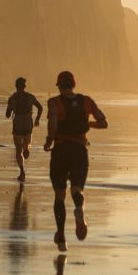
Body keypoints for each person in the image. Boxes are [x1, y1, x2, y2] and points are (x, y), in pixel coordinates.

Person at [43, 71, 107, 252]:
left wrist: (49, 140)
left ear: (59, 86)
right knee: (77, 189)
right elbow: (103, 123)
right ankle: (79, 208)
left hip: (61, 149)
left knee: (59, 195)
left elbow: (53, 122)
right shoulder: (87, 101)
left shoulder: (54, 102)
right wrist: (88, 125)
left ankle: (61, 237)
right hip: (80, 150)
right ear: (73, 84)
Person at [5, 77, 43, 182]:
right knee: (27, 141)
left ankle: (22, 171)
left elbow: (7, 115)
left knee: (18, 150)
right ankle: (26, 148)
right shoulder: (30, 97)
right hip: (28, 123)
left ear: (16, 86)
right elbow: (40, 107)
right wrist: (37, 119)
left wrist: (11, 110)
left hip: (17, 124)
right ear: (25, 86)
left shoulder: (12, 98)